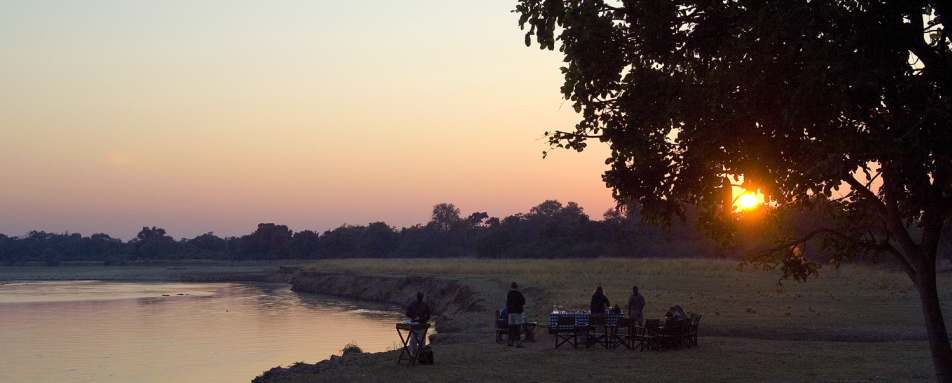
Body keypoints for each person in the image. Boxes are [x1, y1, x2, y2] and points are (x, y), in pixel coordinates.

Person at [405, 292, 431, 357]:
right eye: (419, 297)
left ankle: (421, 355)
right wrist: (413, 317)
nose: (420, 298)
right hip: (414, 325)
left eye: (421, 297)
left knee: (421, 341)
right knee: (413, 341)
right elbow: (407, 313)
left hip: (422, 325)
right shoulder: (412, 304)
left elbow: (428, 315)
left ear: (422, 297)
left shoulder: (425, 305)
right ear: (417, 297)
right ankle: (413, 354)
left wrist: (423, 319)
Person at [506, 282, 526, 347]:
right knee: (518, 327)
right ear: (517, 287)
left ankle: (510, 341)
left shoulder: (509, 294)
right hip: (517, 312)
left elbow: (507, 302)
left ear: (511, 287)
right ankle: (518, 342)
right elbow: (523, 302)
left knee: (511, 327)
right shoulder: (519, 294)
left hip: (510, 312)